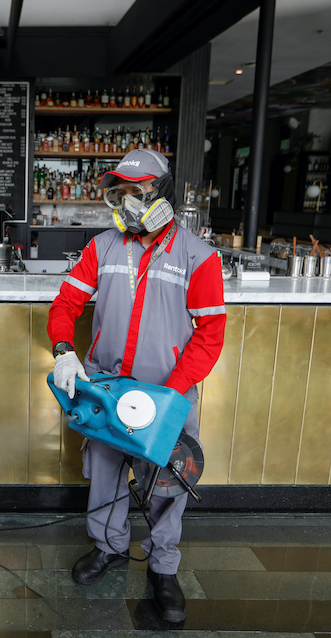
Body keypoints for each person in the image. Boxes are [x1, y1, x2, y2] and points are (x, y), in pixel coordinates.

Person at [47, 149, 226, 624]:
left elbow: (210, 337)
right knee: (105, 469)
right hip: (106, 388)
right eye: (122, 191)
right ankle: (109, 547)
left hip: (168, 394)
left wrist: (172, 392)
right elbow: (65, 305)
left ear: (162, 193)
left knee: (169, 480)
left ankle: (164, 568)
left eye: (138, 190)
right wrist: (64, 348)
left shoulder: (199, 257)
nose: (128, 200)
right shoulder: (102, 247)